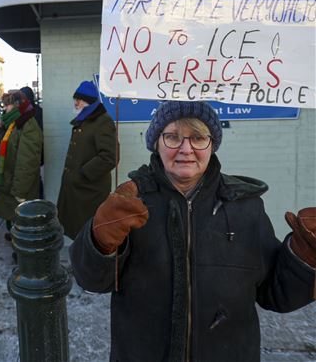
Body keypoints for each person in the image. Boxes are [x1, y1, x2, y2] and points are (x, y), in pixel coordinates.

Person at [70, 100, 316, 362]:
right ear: (156, 143)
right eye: (172, 137)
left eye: (198, 137)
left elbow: (275, 294)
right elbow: (91, 280)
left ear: (212, 144)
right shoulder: (131, 204)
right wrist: (99, 241)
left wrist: (304, 259)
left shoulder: (246, 208)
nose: (186, 149)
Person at [0, 90, 43, 257]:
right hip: (12, 182)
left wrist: (19, 191)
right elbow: (8, 145)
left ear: (17, 105)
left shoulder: (28, 125)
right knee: (14, 220)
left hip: (20, 187)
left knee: (22, 224)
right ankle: (19, 250)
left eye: (8, 104)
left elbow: (28, 163)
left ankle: (24, 259)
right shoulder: (15, 123)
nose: (5, 108)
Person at [57, 80, 115, 240]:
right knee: (77, 233)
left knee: (87, 235)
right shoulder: (85, 119)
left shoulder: (103, 121)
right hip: (76, 191)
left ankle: (84, 265)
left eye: (79, 99)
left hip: (88, 192)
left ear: (90, 101)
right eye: (75, 99)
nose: (75, 102)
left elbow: (110, 156)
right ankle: (78, 263)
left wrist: (82, 174)